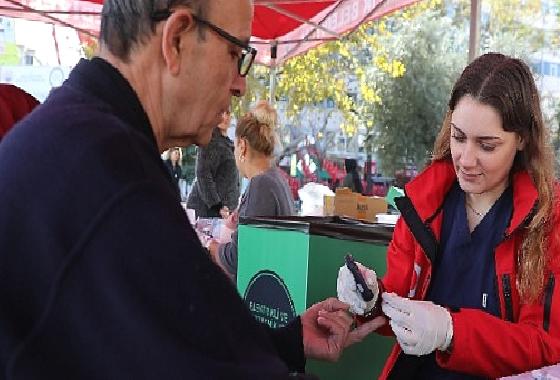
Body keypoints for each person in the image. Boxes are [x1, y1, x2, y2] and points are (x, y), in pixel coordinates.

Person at [0, 1, 384, 378]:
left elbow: (172, 337)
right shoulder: (114, 173)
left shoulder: (79, 137)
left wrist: (286, 342)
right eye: (235, 53)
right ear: (177, 39)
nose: (240, 84)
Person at [337, 53, 560, 379]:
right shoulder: (424, 205)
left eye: (487, 145)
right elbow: (399, 308)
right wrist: (371, 299)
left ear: (522, 139)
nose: (466, 159)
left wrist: (451, 331)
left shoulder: (552, 219)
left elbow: (548, 349)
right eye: (458, 137)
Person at [209, 101, 295, 280]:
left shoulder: (261, 185)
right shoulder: (276, 180)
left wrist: (209, 245)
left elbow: (237, 258)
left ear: (242, 146)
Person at [187, 111, 239, 217]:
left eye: (228, 113)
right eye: (220, 112)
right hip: (206, 211)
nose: (224, 117)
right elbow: (203, 174)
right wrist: (217, 206)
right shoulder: (209, 140)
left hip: (221, 211)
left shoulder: (227, 142)